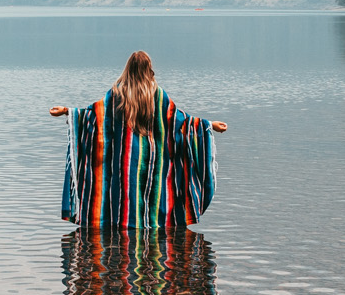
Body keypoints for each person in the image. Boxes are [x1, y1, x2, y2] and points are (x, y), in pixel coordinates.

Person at [52, 49, 227, 233]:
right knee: (153, 197)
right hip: (152, 165)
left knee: (123, 202)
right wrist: (209, 125)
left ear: (127, 69)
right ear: (149, 70)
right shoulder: (158, 97)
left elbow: (93, 115)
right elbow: (182, 122)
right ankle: (150, 231)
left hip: (122, 167)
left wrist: (67, 111)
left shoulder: (116, 95)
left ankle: (121, 229)